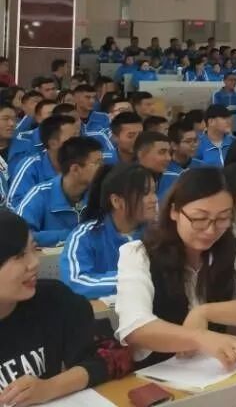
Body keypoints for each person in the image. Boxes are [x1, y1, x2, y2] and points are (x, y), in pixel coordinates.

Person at [114, 168, 236, 366]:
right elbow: (135, 327)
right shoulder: (138, 254)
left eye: (222, 219)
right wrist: (199, 337)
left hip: (216, 370)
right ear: (174, 211)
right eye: (200, 219)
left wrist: (204, 312)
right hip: (158, 372)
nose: (210, 230)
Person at [0, 211, 110, 405]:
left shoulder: (53, 300)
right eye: (19, 256)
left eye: (33, 249)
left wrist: (49, 388)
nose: (34, 263)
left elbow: (109, 357)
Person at [60, 164, 158, 298]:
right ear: (116, 201)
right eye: (145, 193)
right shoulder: (85, 236)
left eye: (154, 191)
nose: (154, 199)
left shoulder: (158, 233)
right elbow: (75, 282)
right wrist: (134, 279)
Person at [17, 136, 103, 247]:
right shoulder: (40, 194)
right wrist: (71, 235)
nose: (103, 168)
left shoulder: (102, 194)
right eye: (97, 163)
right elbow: (20, 235)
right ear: (75, 169)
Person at [7, 114, 79, 210]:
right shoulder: (31, 167)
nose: (80, 142)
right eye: (73, 139)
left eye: (79, 136)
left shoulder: (84, 164)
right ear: (53, 143)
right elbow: (14, 206)